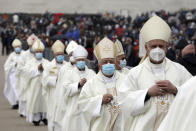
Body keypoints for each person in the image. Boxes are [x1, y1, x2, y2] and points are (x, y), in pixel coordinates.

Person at [119, 15, 192, 131]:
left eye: (161, 46)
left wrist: (176, 90)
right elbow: (123, 102)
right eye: (153, 46)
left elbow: (193, 95)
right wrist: (147, 93)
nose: (157, 50)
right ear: (146, 48)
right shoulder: (135, 73)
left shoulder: (180, 70)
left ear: (167, 47)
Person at [78, 37, 125, 131]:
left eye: (111, 61)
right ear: (99, 65)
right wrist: (100, 100)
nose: (108, 64)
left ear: (115, 63)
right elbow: (82, 105)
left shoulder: (125, 80)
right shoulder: (91, 84)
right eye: (105, 62)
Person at [61, 45, 96, 131]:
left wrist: (88, 86)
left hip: (87, 107)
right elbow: (66, 88)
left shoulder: (91, 73)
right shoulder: (69, 73)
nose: (81, 61)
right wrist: (78, 85)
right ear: (75, 61)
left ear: (85, 60)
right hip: (74, 106)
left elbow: (96, 87)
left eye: (82, 60)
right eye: (79, 60)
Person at [51, 40, 78, 131]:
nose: (73, 56)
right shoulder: (64, 69)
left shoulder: (83, 69)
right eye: (71, 54)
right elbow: (60, 88)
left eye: (75, 54)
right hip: (65, 99)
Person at [42, 40, 67, 131]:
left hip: (63, 95)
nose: (60, 56)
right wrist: (55, 80)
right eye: (58, 54)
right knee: (52, 113)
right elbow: (44, 79)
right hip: (53, 94)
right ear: (54, 55)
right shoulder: (49, 66)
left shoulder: (67, 66)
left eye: (61, 54)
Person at [23, 39, 49, 126]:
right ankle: (36, 118)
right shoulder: (29, 62)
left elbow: (51, 72)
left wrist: (44, 70)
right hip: (34, 87)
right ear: (34, 52)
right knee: (35, 101)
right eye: (37, 51)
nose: (39, 53)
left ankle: (45, 117)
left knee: (45, 101)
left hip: (44, 87)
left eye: (40, 51)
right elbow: (26, 73)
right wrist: (37, 70)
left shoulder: (47, 62)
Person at [16, 34, 38, 117]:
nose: (33, 47)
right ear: (29, 45)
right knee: (24, 95)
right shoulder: (24, 55)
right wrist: (27, 71)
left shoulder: (38, 55)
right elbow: (20, 67)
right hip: (25, 77)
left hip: (34, 77)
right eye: (31, 46)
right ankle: (23, 111)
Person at [4, 39, 23, 109]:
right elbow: (6, 66)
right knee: (14, 88)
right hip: (14, 75)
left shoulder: (24, 54)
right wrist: (13, 65)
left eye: (19, 46)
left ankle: (21, 102)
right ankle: (15, 102)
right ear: (14, 48)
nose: (17, 48)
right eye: (16, 47)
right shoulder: (11, 55)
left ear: (21, 47)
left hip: (22, 74)